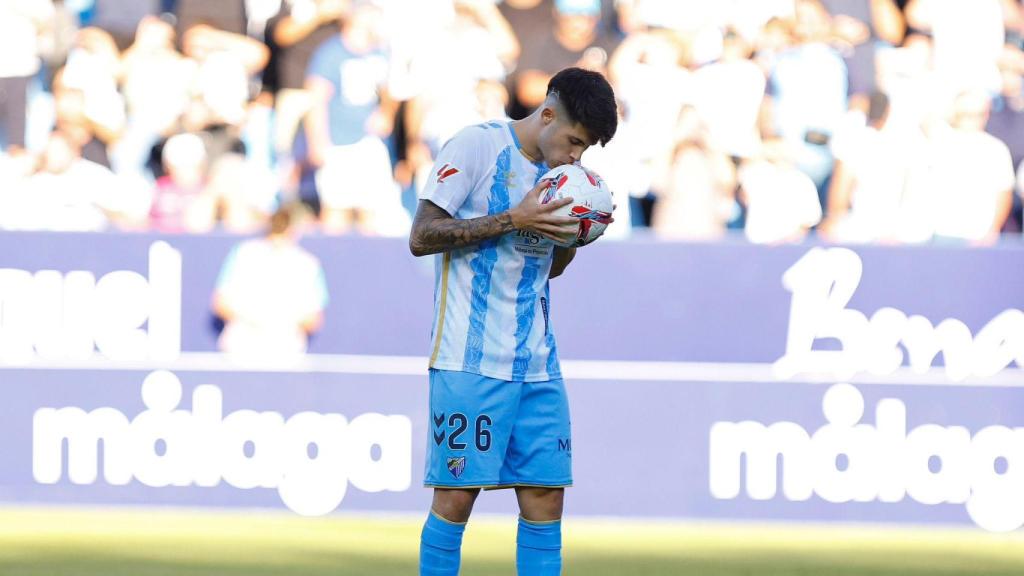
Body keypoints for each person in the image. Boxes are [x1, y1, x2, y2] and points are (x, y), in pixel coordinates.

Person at [408, 67, 617, 576]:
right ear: (546, 114)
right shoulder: (476, 147)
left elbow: (552, 269)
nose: (574, 156)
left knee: (546, 498)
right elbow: (422, 236)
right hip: (467, 359)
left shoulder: (564, 182)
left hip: (538, 363)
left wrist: (574, 236)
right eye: (572, 140)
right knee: (457, 499)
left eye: (585, 149)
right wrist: (512, 219)